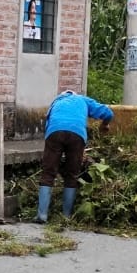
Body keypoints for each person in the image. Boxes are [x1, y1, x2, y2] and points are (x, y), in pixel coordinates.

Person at [37, 89, 114, 222]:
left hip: (54, 132)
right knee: (72, 174)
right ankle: (66, 216)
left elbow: (48, 124)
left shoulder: (56, 102)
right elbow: (108, 113)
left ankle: (42, 215)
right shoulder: (83, 100)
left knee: (48, 172)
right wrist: (105, 125)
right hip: (77, 134)